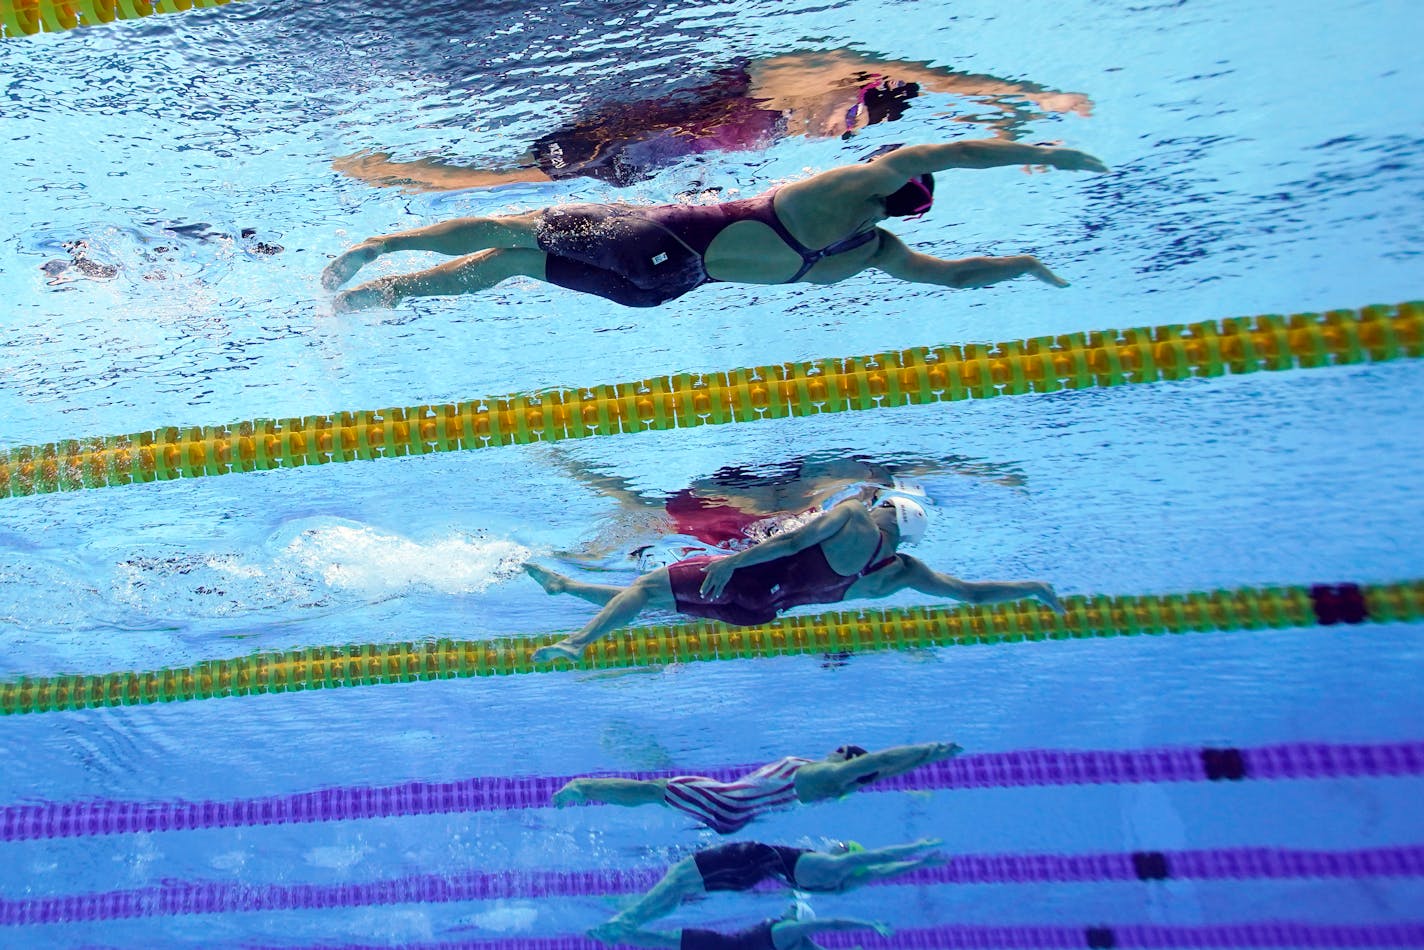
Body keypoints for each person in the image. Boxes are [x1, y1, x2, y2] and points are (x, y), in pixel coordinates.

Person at [322, 139, 1107, 311]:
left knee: (519, 230)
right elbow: (959, 275)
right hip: (659, 291)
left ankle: (380, 249)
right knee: (512, 267)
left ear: (891, 178)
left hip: (656, 238)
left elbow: (953, 150)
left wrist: (1042, 153)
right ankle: (382, 299)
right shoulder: (872, 253)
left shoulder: (837, 193)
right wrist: (1024, 266)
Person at [332, 50, 1092, 193]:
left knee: (492, 184)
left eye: (853, 134)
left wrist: (1009, 127)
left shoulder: (804, 112)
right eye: (850, 117)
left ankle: (387, 172)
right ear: (857, 81)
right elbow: (945, 78)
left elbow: (942, 99)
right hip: (620, 134)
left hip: (640, 159)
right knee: (497, 177)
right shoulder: (812, 71)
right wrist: (1041, 98)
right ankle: (370, 163)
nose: (838, 133)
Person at [526, 491, 1062, 663]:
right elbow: (969, 594)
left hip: (745, 580)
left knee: (644, 589)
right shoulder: (900, 572)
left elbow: (790, 542)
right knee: (650, 601)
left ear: (887, 511)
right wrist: (1031, 588)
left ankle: (577, 643)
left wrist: (732, 561)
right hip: (759, 614)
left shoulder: (854, 516)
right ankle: (568, 588)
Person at [551, 741, 963, 834]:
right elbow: (881, 772)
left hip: (730, 800)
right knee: (660, 793)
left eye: (844, 752)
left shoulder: (824, 777)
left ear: (848, 763)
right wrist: (923, 761)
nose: (837, 749)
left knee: (656, 789)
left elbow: (880, 763)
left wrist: (928, 751)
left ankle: (584, 787)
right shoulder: (833, 784)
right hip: (738, 814)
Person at [591, 838, 943, 941]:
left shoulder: (832, 866)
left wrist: (917, 848)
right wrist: (918, 865)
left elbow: (881, 855)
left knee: (676, 877)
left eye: (840, 845)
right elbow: (881, 869)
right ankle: (627, 923)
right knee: (678, 889)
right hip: (750, 874)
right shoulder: (837, 884)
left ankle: (627, 918)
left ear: (847, 854)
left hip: (748, 857)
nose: (834, 846)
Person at [594, 914, 891, 950]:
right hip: (712, 945)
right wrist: (870, 924)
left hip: (713, 946)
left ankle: (606, 931)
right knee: (657, 941)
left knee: (657, 941)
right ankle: (606, 931)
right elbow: (831, 923)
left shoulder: (795, 941)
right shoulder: (788, 933)